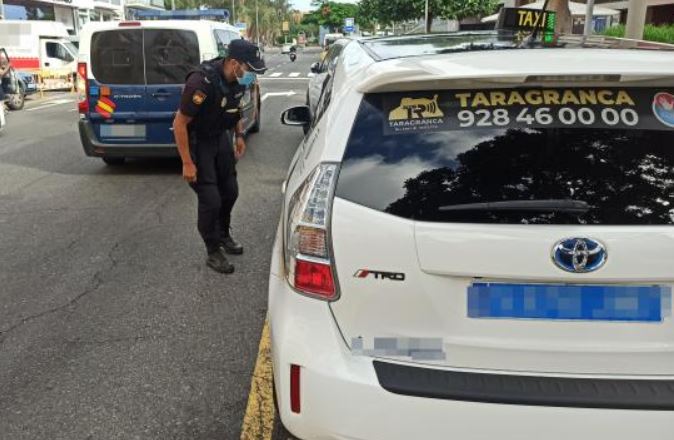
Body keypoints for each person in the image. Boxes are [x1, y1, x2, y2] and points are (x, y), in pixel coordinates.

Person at [173, 39, 266, 274]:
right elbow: (180, 123)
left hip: (220, 139)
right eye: (250, 69)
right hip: (199, 143)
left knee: (230, 191)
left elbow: (233, 110)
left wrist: (240, 135)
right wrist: (187, 162)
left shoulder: (239, 80)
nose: (252, 76)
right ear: (234, 63)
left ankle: (224, 235)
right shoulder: (201, 83)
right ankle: (213, 250)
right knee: (211, 200)